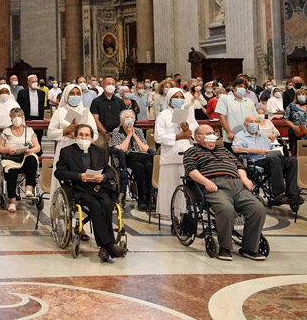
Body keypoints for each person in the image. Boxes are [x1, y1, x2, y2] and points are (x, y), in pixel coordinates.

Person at [183, 124, 266, 261]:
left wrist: (244, 179)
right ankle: (225, 247)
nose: (212, 135)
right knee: (226, 209)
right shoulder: (192, 152)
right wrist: (206, 182)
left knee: (258, 209)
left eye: (212, 133)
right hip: (215, 186)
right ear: (198, 137)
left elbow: (238, 166)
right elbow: (191, 171)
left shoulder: (224, 151)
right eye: (208, 133)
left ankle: (249, 248)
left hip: (237, 185)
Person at [55, 124, 128, 261]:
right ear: (75, 137)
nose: (84, 137)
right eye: (81, 135)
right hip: (80, 189)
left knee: (107, 203)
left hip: (99, 187)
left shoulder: (99, 151)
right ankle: (110, 246)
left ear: (92, 138)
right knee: (95, 205)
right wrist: (79, 176)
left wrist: (103, 177)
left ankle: (105, 248)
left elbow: (109, 170)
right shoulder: (67, 151)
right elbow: (59, 172)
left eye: (86, 135)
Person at [232, 115, 301, 205]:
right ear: (245, 124)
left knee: (293, 161)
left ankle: (293, 194)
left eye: (256, 122)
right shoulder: (240, 136)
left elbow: (270, 146)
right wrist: (256, 151)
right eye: (251, 122)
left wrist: (276, 148)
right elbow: (236, 149)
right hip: (256, 161)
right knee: (274, 160)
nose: (254, 124)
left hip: (271, 159)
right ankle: (279, 194)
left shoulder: (262, 135)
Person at [154, 87, 198, 218]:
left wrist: (188, 131)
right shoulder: (163, 115)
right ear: (169, 99)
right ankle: (172, 215)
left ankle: (186, 215)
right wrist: (179, 136)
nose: (179, 100)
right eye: (176, 97)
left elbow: (196, 134)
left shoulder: (188, 114)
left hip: (188, 155)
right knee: (171, 188)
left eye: (181, 98)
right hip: (171, 157)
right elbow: (159, 137)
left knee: (187, 189)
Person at [47, 84, 98, 196]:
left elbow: (95, 134)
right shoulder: (59, 112)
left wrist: (82, 135)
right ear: (66, 95)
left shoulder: (86, 112)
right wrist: (65, 130)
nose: (75, 96)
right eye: (72, 94)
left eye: (77, 94)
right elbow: (50, 133)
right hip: (64, 148)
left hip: (83, 151)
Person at [0, 108, 41, 212]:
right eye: (14, 116)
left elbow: (37, 147)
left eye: (19, 116)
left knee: (32, 159)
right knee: (11, 172)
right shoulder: (6, 131)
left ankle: (29, 188)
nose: (17, 118)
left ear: (23, 117)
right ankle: (12, 201)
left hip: (25, 157)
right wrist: (7, 150)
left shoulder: (29, 130)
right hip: (11, 158)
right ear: (11, 118)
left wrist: (29, 150)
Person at [109, 109, 153, 211]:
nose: (129, 120)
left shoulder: (139, 131)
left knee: (149, 166)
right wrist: (129, 135)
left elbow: (145, 149)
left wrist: (134, 135)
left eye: (132, 118)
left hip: (141, 156)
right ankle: (141, 198)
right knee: (138, 167)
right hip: (127, 158)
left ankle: (149, 197)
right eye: (127, 118)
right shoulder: (116, 131)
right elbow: (121, 149)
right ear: (121, 120)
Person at [215, 78, 258, 150]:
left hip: (248, 137)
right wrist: (229, 132)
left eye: (244, 87)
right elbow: (221, 117)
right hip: (232, 137)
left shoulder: (249, 101)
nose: (242, 88)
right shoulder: (225, 99)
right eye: (240, 86)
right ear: (233, 87)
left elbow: (255, 118)